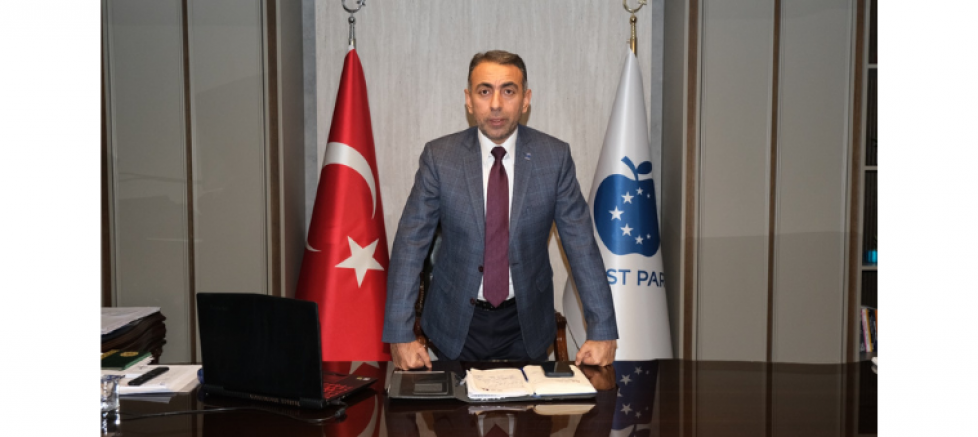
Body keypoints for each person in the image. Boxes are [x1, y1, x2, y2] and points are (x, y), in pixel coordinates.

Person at [382, 50, 618, 370]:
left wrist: (603, 330)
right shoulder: (440, 158)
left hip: (526, 322)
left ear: (525, 100)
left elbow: (580, 244)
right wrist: (400, 334)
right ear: (469, 100)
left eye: (508, 91)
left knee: (530, 405)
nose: (496, 104)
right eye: (484, 91)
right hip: (454, 322)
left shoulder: (554, 158)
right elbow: (411, 244)